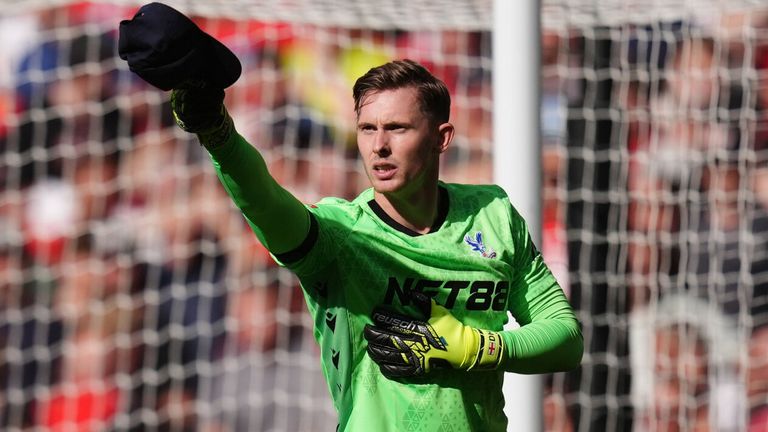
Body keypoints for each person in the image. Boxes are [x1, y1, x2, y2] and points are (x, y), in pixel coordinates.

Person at [168, 59, 583, 431]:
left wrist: (478, 347)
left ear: (442, 137)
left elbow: (566, 340)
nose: (378, 146)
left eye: (397, 128)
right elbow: (268, 203)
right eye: (368, 129)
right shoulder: (340, 234)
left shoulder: (493, 216)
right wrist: (218, 135)